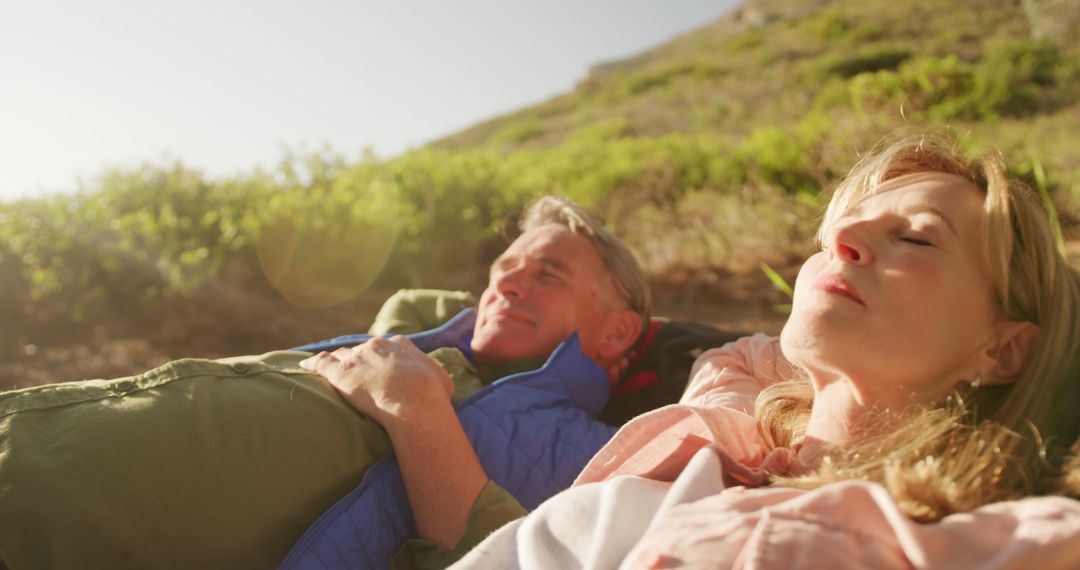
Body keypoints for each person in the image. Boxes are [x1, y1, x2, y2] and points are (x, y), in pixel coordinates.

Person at [317, 134, 1080, 569]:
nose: (840, 239)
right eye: (838, 229)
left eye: (915, 236)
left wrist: (415, 413)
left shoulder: (994, 538)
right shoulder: (718, 437)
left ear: (1004, 349)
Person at [0, 195, 659, 569]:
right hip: (32, 441)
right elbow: (413, 303)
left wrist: (415, 414)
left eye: (548, 274)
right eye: (502, 269)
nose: (506, 283)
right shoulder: (421, 344)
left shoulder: (598, 452)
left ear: (620, 332)